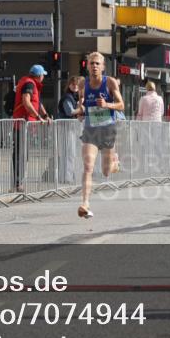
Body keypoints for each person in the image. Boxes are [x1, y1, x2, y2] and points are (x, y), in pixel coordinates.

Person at [75, 52, 124, 219]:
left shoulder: (109, 82)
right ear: (87, 66)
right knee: (88, 166)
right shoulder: (83, 83)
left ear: (103, 67)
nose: (94, 66)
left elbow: (121, 105)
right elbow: (81, 102)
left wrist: (107, 104)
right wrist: (81, 111)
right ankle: (85, 204)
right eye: (91, 63)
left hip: (107, 129)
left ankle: (115, 163)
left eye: (97, 64)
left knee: (106, 171)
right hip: (90, 129)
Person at [11, 64, 52, 193]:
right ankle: (17, 183)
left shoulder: (31, 84)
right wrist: (38, 116)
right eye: (43, 75)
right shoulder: (29, 84)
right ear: (39, 76)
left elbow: (37, 103)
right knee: (20, 154)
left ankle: (19, 182)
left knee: (24, 154)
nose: (43, 77)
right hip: (23, 123)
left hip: (27, 123)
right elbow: (26, 101)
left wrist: (45, 115)